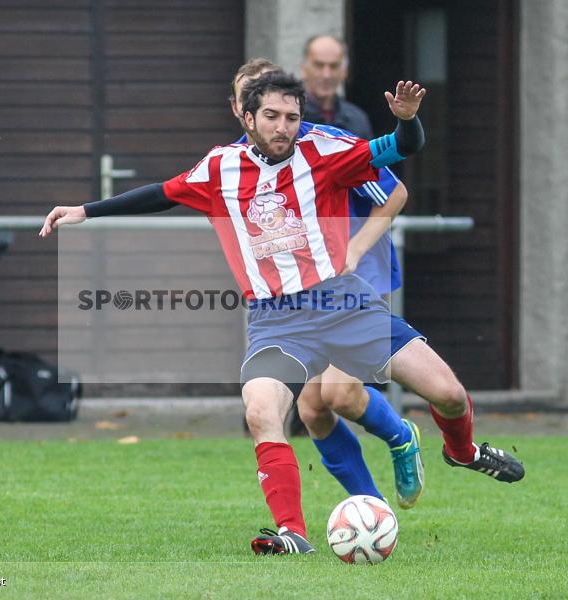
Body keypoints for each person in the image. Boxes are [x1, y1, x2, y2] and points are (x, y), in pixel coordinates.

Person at [41, 73, 524, 556]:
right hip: (277, 321)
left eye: (291, 117)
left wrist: (407, 121)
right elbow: (161, 193)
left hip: (344, 305)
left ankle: (462, 452)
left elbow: (401, 148)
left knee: (449, 395)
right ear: (247, 117)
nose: (282, 126)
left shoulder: (325, 153)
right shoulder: (220, 167)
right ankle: (292, 532)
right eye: (271, 116)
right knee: (262, 410)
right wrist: (86, 211)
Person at [229, 59, 424, 511]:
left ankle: (400, 437)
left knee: (337, 394)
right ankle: (371, 510)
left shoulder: (319, 145)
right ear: (239, 108)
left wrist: (354, 247)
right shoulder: (234, 161)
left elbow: (393, 191)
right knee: (313, 409)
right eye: (246, 98)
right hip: (302, 295)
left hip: (355, 276)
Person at [301, 35, 373, 138]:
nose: (326, 75)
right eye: (319, 65)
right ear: (304, 68)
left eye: (334, 66)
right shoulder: (290, 115)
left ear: (344, 71)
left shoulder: (357, 120)